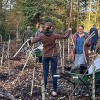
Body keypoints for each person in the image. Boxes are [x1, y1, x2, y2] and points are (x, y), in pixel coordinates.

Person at [29, 22, 72, 96]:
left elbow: (31, 42)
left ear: (45, 28)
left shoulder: (41, 36)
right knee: (54, 73)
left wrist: (31, 40)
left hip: (45, 56)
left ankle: (44, 90)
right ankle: (54, 91)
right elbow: (65, 36)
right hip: (53, 56)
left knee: (45, 73)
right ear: (51, 27)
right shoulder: (54, 35)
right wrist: (69, 30)